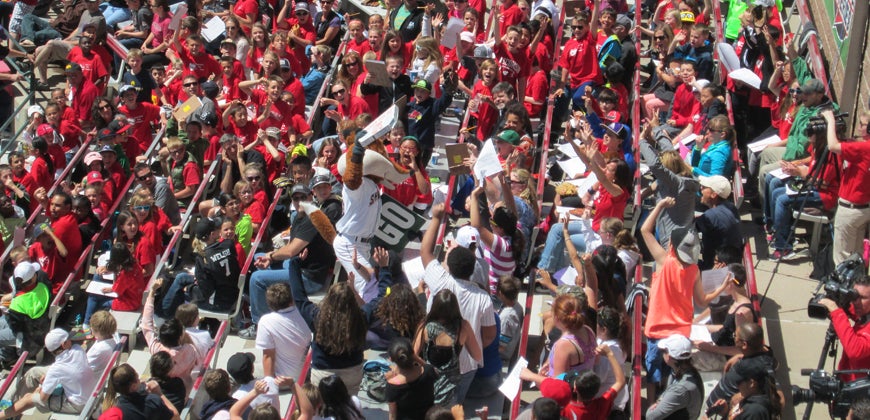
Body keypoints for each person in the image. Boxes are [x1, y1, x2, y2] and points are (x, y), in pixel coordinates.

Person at [641, 197, 730, 399]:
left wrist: (660, 206)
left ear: (672, 245)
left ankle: (654, 406)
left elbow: (645, 230)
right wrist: (722, 287)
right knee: (674, 372)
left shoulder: (664, 261)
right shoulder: (694, 269)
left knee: (654, 374)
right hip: (681, 332)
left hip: (657, 330)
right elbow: (702, 301)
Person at [421, 203, 497, 403]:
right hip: (467, 365)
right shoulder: (483, 298)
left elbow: (425, 252)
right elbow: (489, 336)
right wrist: (469, 345)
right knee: (455, 407)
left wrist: (436, 218)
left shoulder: (440, 280)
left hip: (435, 359)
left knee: (431, 405)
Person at [1, 329, 96, 418]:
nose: (71, 339)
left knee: (27, 399)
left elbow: (42, 399)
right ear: (64, 344)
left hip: (78, 404)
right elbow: (84, 336)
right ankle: (13, 405)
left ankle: (5, 414)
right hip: (87, 392)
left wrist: (39, 389)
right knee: (34, 372)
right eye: (69, 338)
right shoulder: (77, 349)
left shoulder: (56, 369)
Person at [823, 109, 870, 265]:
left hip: (850, 210)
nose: (859, 128)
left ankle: (840, 288)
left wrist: (830, 121)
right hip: (864, 210)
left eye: (863, 125)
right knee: (856, 258)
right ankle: (854, 288)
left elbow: (833, 146)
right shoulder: (862, 148)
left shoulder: (864, 149)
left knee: (842, 260)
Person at [705, 323, 777, 410]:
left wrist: (744, 396)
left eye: (735, 336)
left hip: (722, 408)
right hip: (717, 400)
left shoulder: (750, 367)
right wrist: (741, 355)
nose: (733, 337)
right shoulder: (765, 354)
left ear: (744, 344)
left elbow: (774, 395)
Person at [254, 283, 312, 380]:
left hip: (283, 380)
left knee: (240, 367)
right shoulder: (306, 312)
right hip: (308, 374)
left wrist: (271, 386)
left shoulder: (266, 321)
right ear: (291, 299)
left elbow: (268, 356)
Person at [818, 275, 870, 382]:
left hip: (861, 392)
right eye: (855, 297)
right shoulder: (864, 313)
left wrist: (836, 312)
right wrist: (841, 304)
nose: (856, 302)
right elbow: (855, 312)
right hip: (848, 382)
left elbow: (855, 351)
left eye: (863, 298)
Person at [645, 334, 703, 420]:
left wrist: (657, 403)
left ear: (669, 357)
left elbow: (651, 416)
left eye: (664, 351)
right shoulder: (688, 371)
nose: (663, 353)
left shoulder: (680, 389)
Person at [99, 364, 181, 420]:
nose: (141, 380)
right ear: (133, 386)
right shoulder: (153, 401)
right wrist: (159, 393)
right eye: (138, 378)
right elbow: (175, 416)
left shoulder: (114, 410)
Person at [385, 337, 438, 420]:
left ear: (391, 359)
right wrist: (417, 358)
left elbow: (392, 414)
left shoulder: (392, 386)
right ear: (412, 354)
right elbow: (434, 371)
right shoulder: (428, 371)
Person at [695, 175, 741, 269]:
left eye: (704, 187)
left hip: (714, 269)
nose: (701, 188)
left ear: (713, 195)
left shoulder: (711, 216)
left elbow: (690, 226)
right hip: (730, 263)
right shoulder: (731, 207)